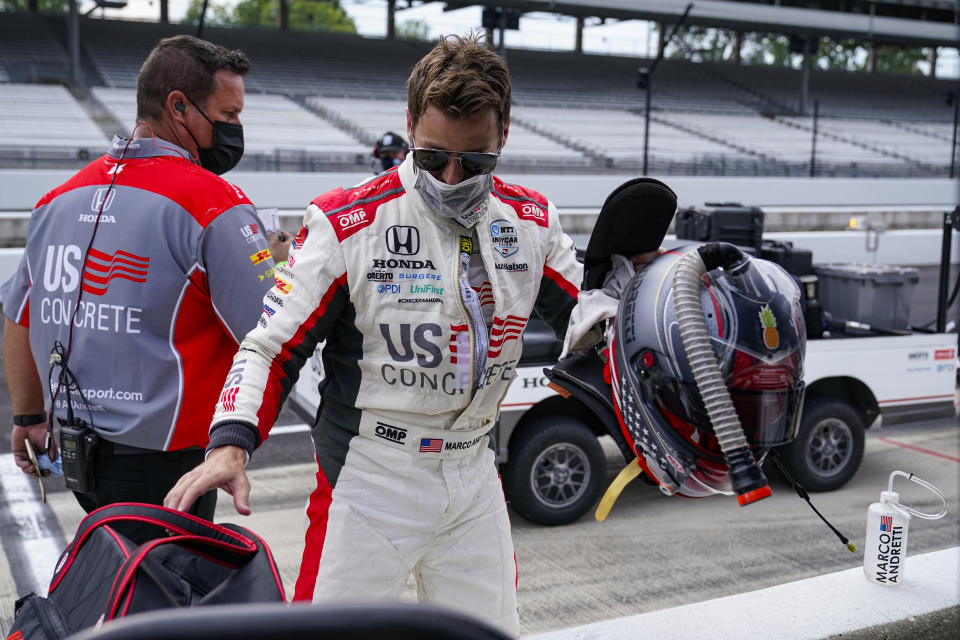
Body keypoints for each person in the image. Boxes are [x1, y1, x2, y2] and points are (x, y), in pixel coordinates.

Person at [165, 33, 582, 637]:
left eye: (478, 161)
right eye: (434, 156)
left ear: (505, 134)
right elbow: (270, 345)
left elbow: (594, 322)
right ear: (410, 124)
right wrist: (231, 440)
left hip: (474, 477)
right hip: (367, 480)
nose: (453, 176)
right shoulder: (345, 222)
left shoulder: (533, 221)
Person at [2, 34, 289, 542]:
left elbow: (17, 314)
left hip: (77, 457)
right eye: (227, 114)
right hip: (168, 467)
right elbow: (269, 330)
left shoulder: (58, 199)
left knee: (115, 580)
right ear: (179, 107)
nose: (236, 130)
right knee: (164, 602)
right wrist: (276, 261)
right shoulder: (213, 203)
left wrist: (27, 415)